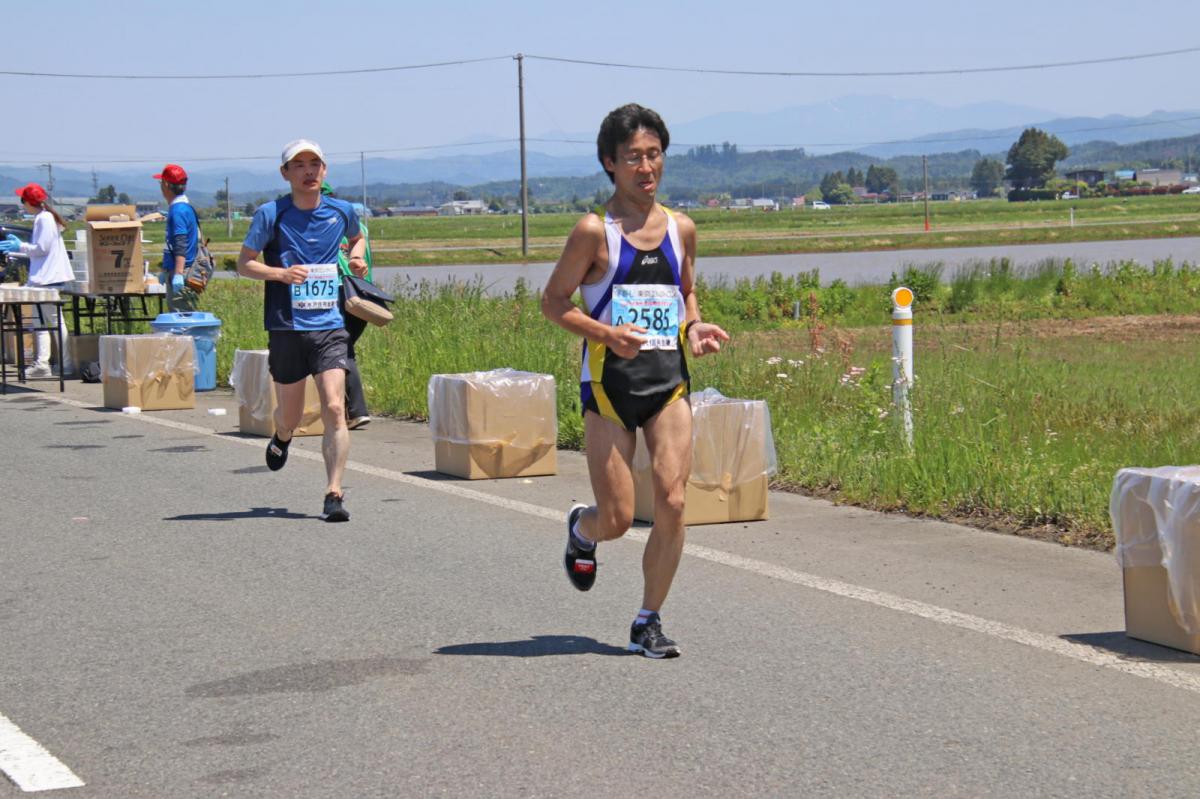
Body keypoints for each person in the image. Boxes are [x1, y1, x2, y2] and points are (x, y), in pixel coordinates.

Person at [541, 104, 730, 658]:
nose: (646, 168)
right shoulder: (593, 233)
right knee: (620, 518)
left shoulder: (682, 229)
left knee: (672, 499)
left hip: (668, 382)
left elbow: (685, 292)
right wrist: (604, 333)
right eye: (633, 159)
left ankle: (648, 620)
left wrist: (694, 326)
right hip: (608, 387)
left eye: (654, 156)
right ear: (610, 164)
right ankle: (584, 529)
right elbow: (553, 303)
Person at [236, 139, 367, 522]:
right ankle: (283, 437)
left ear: (324, 171)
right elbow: (244, 263)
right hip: (286, 326)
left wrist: (356, 257)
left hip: (330, 325)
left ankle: (334, 493)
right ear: (286, 173)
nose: (308, 171)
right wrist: (280, 274)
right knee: (289, 416)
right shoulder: (270, 214)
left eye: (315, 164)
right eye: (299, 165)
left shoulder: (343, 211)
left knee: (333, 406)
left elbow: (357, 238)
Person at [0, 183, 74, 379]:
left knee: (45, 322)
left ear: (28, 202)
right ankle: (54, 363)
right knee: (47, 321)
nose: (22, 205)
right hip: (47, 278)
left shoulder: (44, 219)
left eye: (22, 201)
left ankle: (46, 363)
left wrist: (20, 245)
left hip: (46, 279)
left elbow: (41, 248)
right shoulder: (45, 218)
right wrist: (18, 248)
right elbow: (39, 250)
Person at [321, 182, 373, 430]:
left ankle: (355, 411)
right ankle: (348, 409)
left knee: (340, 351)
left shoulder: (322, 226)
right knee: (344, 349)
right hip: (364, 295)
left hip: (340, 293)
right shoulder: (358, 227)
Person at [154, 163, 200, 312]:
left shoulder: (177, 211)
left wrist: (178, 274)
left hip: (181, 271)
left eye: (161, 183)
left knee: (181, 320)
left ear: (166, 185)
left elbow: (181, 244)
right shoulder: (184, 207)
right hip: (179, 269)